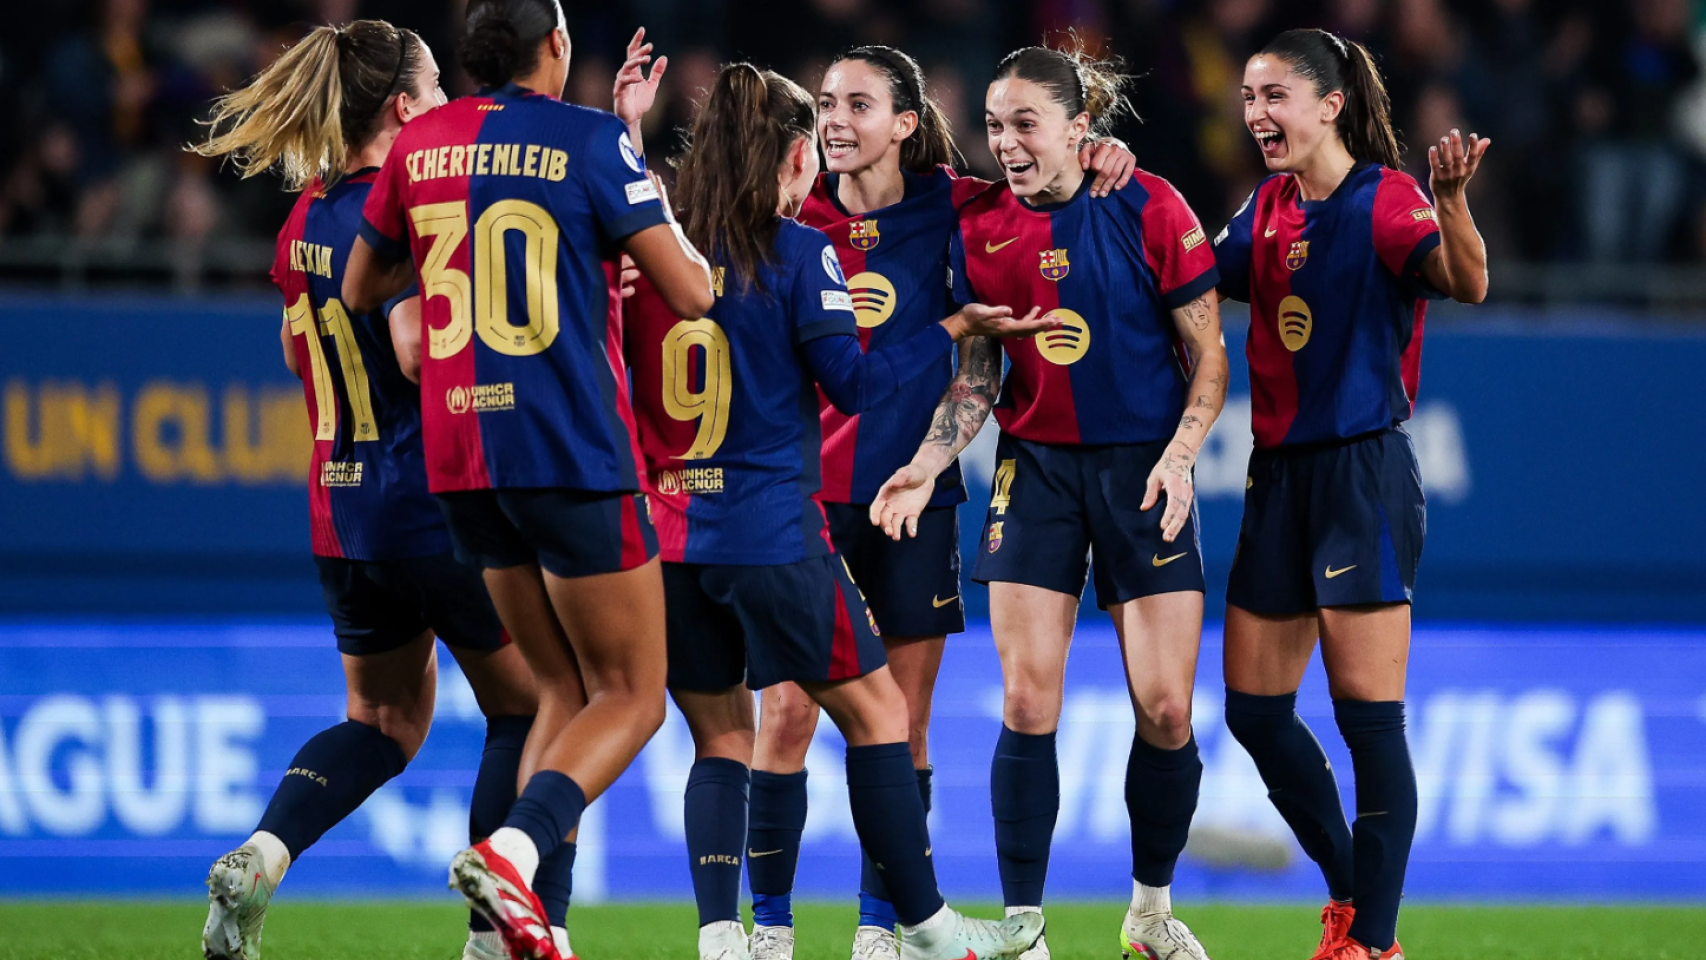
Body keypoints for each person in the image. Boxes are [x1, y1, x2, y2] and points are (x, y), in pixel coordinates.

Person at [608, 37, 1133, 960]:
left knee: (902, 719)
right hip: (801, 507)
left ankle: (876, 929)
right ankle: (773, 923)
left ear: (905, 123)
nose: (834, 122)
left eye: (857, 105)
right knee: (791, 715)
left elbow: (1048, 183)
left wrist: (1104, 155)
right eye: (822, 106)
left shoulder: (960, 207)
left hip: (905, 497)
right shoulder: (784, 220)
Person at [341, 2, 716, 958]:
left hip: (465, 459)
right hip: (573, 450)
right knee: (632, 692)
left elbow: (357, 290)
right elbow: (693, 292)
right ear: (557, 45)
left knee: (557, 687)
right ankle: (512, 853)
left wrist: (435, 299)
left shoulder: (421, 143)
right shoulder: (589, 140)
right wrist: (633, 160)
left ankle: (509, 929)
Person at [189, 20, 543, 960]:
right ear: (400, 106)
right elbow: (416, 345)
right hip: (428, 501)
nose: (442, 109)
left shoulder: (304, 216)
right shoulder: (395, 211)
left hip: (341, 507)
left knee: (383, 722)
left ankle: (264, 855)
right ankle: (489, 939)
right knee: (533, 708)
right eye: (431, 93)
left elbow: (292, 345)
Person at [870, 41, 1230, 960]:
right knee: (1028, 701)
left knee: (1166, 711)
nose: (1007, 144)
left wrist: (1184, 457)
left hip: (1143, 471)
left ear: (1081, 128)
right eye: (994, 127)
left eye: (1026, 124)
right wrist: (926, 458)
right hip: (1035, 472)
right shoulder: (980, 226)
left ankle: (1150, 913)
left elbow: (1211, 359)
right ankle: (1024, 929)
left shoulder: (1150, 205)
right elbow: (979, 375)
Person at [1210, 28, 1488, 960]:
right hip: (1276, 477)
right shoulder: (1265, 209)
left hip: (1361, 472)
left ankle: (1372, 939)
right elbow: (1189, 277)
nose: (1257, 114)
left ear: (1330, 104)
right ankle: (1349, 889)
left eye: (1275, 95)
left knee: (1368, 719)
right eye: (1250, 97)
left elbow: (1466, 282)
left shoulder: (1386, 198)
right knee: (1253, 709)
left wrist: (1451, 205)